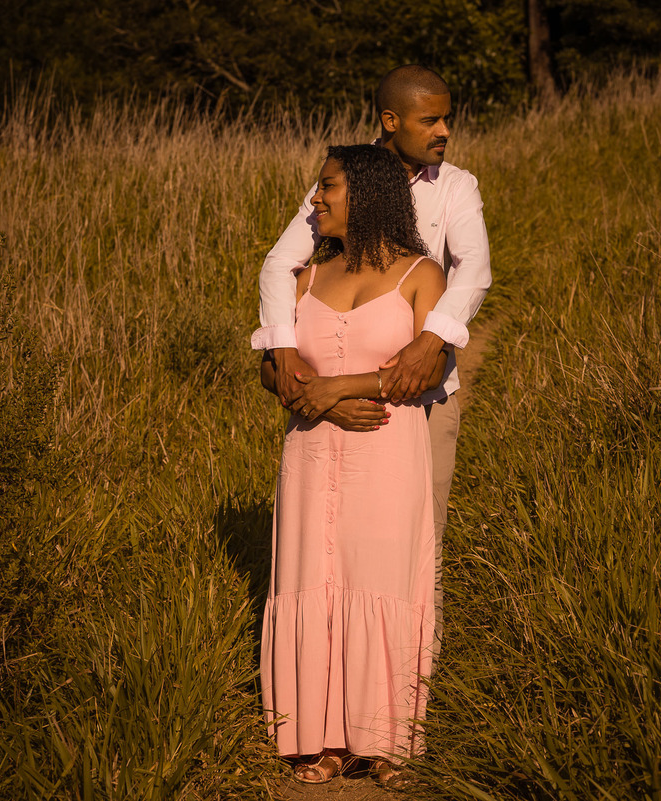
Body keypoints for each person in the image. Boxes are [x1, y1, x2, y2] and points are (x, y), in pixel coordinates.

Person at [251, 65, 491, 665]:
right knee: (329, 547)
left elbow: (474, 269)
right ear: (390, 120)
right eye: (431, 120)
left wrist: (430, 342)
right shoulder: (344, 178)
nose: (444, 131)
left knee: (418, 542)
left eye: (446, 118)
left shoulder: (455, 186)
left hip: (420, 393)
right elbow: (280, 263)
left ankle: (409, 687)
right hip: (330, 394)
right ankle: (325, 677)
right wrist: (285, 352)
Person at [258, 144, 447, 787]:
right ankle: (319, 736)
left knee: (381, 580)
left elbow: (427, 371)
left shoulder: (421, 275)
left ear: (366, 193)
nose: (315, 199)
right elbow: (271, 369)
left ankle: (386, 742)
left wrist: (338, 389)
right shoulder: (305, 279)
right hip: (309, 455)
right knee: (313, 576)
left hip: (386, 455)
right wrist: (320, 401)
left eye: (328, 186)